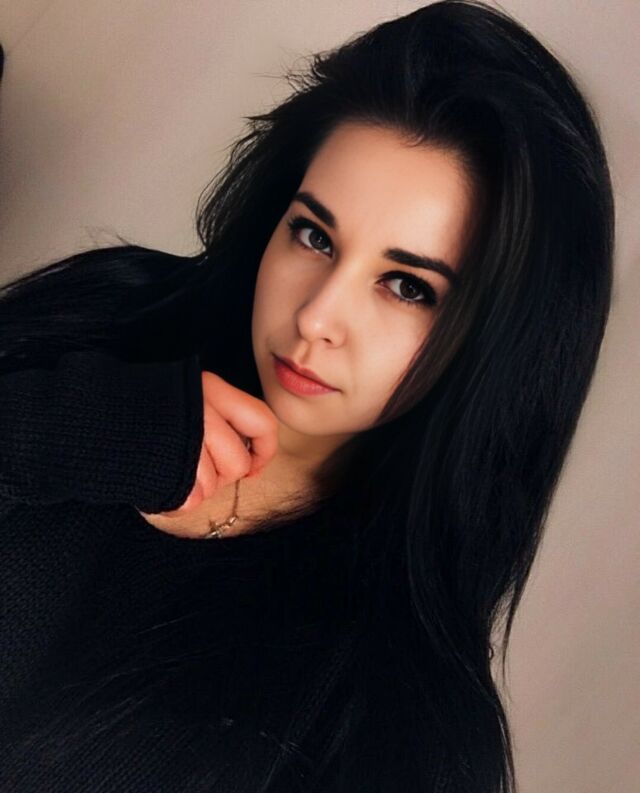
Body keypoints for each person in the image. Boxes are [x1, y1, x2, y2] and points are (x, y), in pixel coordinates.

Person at [0, 1, 614, 791]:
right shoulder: (108, 314)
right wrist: (58, 432)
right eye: (314, 235)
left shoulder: (404, 722)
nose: (318, 317)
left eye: (407, 286)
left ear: (496, 349)